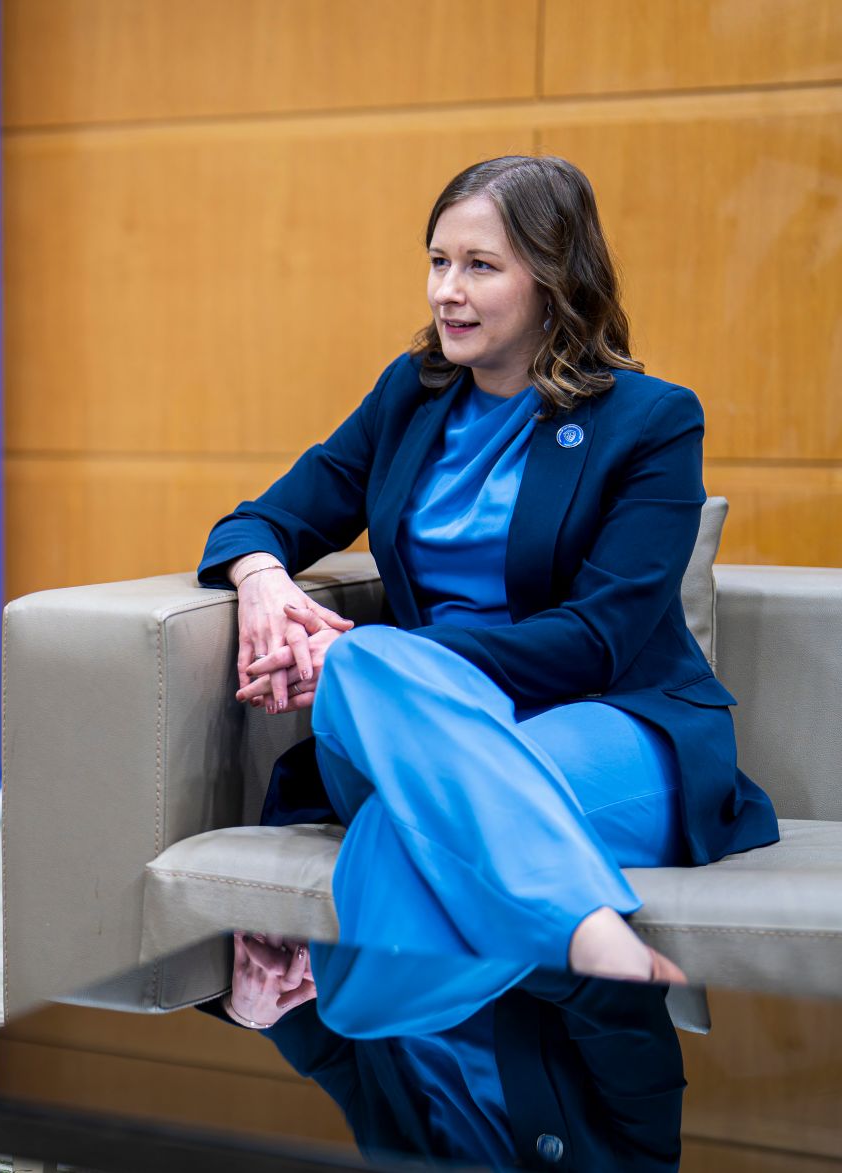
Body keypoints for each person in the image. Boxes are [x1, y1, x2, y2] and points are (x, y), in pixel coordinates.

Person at [197, 155, 780, 1015]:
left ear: (554, 280)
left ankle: (363, 1042)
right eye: (438, 261)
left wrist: (383, 655)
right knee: (371, 673)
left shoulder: (651, 421)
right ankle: (590, 936)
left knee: (396, 823)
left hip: (606, 720)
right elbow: (262, 518)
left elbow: (597, 640)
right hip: (417, 727)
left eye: (480, 266)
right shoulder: (411, 395)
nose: (445, 292)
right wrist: (261, 581)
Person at [212, 933, 685, 1171]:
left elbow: (336, 1060)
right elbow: (608, 984)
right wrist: (398, 957)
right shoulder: (629, 1165)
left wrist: (263, 1008)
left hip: (357, 908)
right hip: (497, 866)